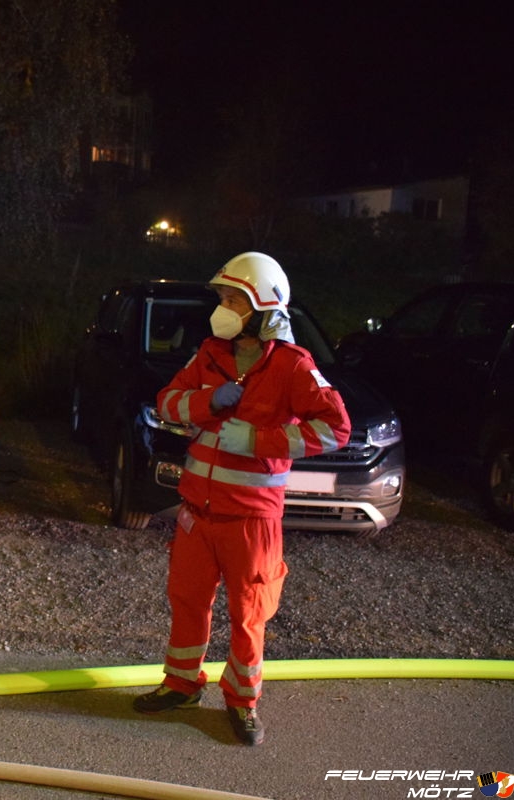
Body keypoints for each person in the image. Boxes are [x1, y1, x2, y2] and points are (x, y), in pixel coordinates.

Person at [134, 252, 351, 746]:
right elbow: (166, 402)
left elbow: (336, 428)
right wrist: (206, 401)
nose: (223, 309)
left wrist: (258, 441)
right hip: (197, 512)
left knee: (249, 615)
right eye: (222, 299)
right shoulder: (210, 354)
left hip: (250, 519)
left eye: (233, 300)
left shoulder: (293, 366)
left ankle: (242, 702)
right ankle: (181, 686)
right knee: (187, 601)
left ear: (263, 306)